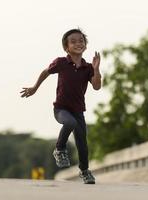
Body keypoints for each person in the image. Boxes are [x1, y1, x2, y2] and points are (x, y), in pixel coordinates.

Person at [20, 29, 101, 184]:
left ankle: (85, 171)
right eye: (73, 41)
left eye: (81, 41)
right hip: (61, 109)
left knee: (82, 144)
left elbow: (97, 86)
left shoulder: (88, 67)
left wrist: (96, 70)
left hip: (78, 111)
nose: (78, 43)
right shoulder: (61, 63)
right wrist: (35, 87)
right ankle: (59, 149)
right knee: (70, 123)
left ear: (85, 45)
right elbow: (46, 72)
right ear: (66, 47)